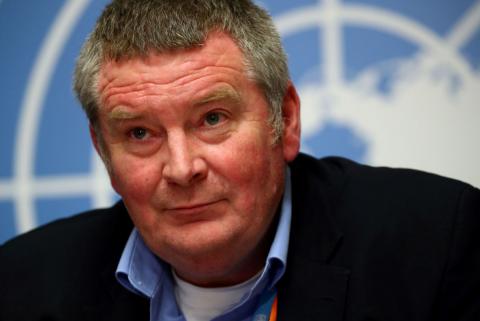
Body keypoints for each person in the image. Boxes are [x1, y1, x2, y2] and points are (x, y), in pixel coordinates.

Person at [0, 0, 479, 320]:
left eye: (212, 119)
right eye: (140, 133)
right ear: (103, 150)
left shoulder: (437, 245)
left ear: (285, 120)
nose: (182, 168)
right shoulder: (23, 288)